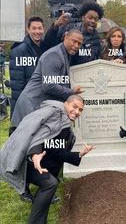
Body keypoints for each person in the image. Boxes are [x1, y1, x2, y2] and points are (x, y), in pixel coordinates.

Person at [0, 94, 95, 224]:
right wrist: (35, 154)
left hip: (38, 160)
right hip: (25, 161)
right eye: (75, 107)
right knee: (50, 184)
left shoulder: (64, 121)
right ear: (66, 104)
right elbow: (36, 134)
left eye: (80, 110)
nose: (77, 112)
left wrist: (79, 155)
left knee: (50, 184)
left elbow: (55, 150)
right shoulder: (55, 114)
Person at [11, 28, 84, 128]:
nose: (76, 46)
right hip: (31, 105)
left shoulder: (64, 54)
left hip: (37, 106)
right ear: (66, 37)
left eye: (79, 44)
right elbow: (49, 86)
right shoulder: (54, 55)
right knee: (23, 142)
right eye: (74, 41)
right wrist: (72, 92)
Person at [9, 16, 46, 119]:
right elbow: (17, 84)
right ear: (28, 29)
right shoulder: (19, 51)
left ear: (43, 29)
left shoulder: (45, 48)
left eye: (40, 28)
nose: (37, 31)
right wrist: (22, 106)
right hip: (25, 102)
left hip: (41, 100)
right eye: (34, 28)